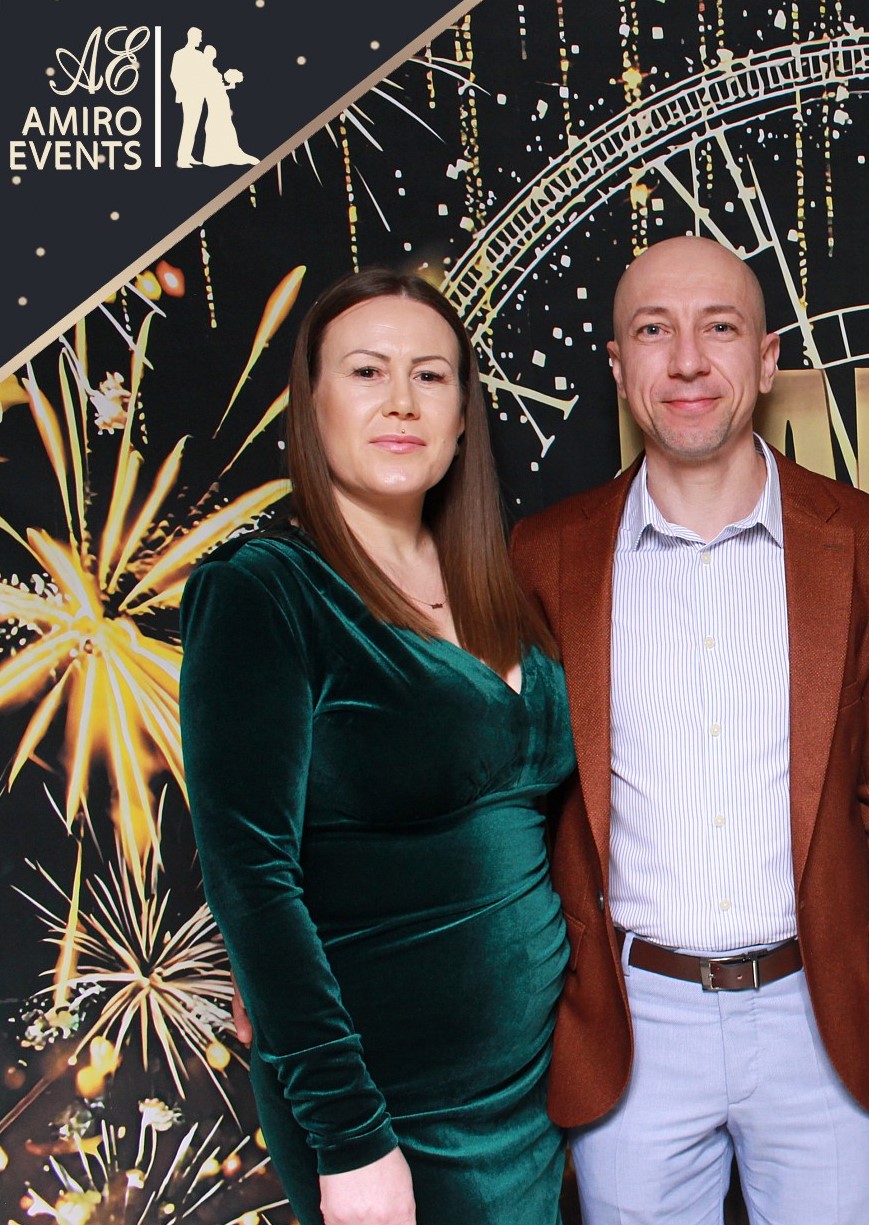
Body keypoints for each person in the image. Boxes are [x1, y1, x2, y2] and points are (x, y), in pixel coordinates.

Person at [509, 236, 869, 1225]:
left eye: (719, 328)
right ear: (619, 367)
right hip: (631, 1023)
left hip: (821, 1017)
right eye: (655, 330)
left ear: (767, 359)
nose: (687, 359)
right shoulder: (543, 556)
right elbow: (519, 802)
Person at [181, 269, 570, 1225]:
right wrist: (351, 1136)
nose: (402, 400)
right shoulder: (265, 592)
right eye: (366, 371)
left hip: (533, 1098)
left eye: (430, 376)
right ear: (312, 406)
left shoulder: (496, 581)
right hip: (389, 1113)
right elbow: (250, 875)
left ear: (463, 418)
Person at [198, 45, 258, 167]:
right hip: (214, 100)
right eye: (211, 53)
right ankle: (215, 156)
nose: (213, 55)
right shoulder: (203, 70)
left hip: (221, 99)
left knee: (225, 124)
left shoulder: (213, 69)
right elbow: (207, 88)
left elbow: (218, 87)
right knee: (216, 123)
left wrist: (230, 85)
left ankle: (228, 152)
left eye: (213, 53)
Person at [169, 27, 207, 168]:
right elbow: (174, 75)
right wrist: (182, 92)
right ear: (192, 36)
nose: (201, 40)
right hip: (188, 95)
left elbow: (204, 74)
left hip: (199, 95)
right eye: (199, 37)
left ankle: (188, 155)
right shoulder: (180, 54)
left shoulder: (200, 55)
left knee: (193, 126)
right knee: (188, 126)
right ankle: (182, 159)